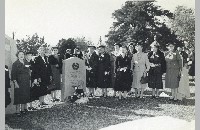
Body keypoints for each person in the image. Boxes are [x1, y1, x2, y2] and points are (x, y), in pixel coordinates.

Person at [11, 51, 31, 116]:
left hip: (26, 82)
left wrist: (30, 80)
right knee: (18, 95)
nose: (21, 55)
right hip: (19, 82)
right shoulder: (15, 64)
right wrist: (15, 82)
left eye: (22, 54)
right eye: (20, 54)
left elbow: (29, 72)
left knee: (25, 94)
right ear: (17, 56)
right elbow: (13, 74)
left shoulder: (26, 62)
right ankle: (17, 111)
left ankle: (22, 109)